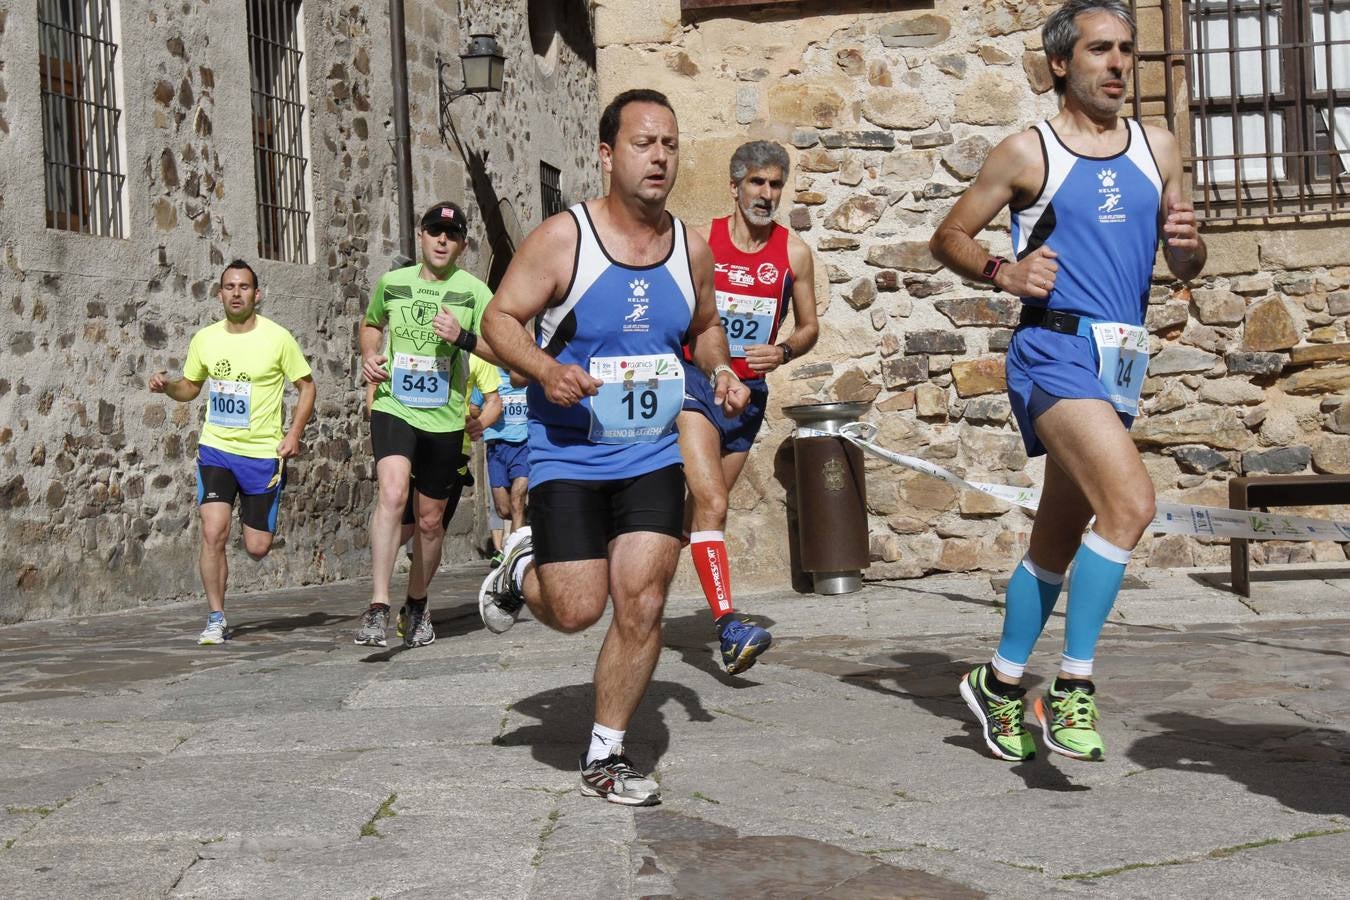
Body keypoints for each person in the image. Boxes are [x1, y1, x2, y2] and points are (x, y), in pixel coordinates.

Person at [929, 0, 1204, 762]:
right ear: (1059, 64)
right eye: (1098, 51)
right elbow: (947, 235)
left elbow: (1182, 263)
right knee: (1131, 503)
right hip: (1052, 353)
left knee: (1056, 538)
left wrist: (1189, 249)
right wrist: (1003, 270)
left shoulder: (1158, 145)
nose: (1117, 64)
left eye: (1126, 51)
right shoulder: (1029, 153)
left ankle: (998, 680)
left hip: (1120, 360)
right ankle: (1074, 686)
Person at [477, 89, 749, 806]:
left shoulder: (690, 246)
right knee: (574, 609)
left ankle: (606, 753)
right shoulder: (565, 239)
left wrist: (720, 369)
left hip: (650, 450)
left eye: (669, 143)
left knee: (645, 600)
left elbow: (708, 325)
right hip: (568, 451)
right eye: (642, 143)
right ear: (607, 155)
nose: (659, 156)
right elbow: (498, 319)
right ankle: (523, 563)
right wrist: (543, 370)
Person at [678, 140, 819, 674]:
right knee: (712, 501)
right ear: (734, 187)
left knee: (696, 516)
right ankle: (728, 624)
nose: (766, 194)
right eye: (757, 183)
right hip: (698, 382)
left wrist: (783, 350)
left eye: (775, 184)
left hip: (749, 396)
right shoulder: (701, 241)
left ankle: (639, 589)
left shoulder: (794, 252)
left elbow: (809, 327)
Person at [149, 259, 316, 645]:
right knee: (213, 531)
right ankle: (215, 617)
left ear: (257, 295)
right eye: (229, 286)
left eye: (244, 287)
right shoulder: (205, 339)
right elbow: (190, 389)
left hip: (261, 455)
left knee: (257, 548)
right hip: (217, 450)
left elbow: (307, 387)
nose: (236, 293)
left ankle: (260, 517)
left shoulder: (278, 338)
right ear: (220, 293)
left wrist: (293, 434)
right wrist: (168, 387)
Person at [356, 201, 496, 648]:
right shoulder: (393, 284)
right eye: (435, 231)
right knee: (393, 493)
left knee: (431, 522)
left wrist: (465, 338)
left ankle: (415, 602)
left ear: (463, 244)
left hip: (444, 417)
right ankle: (377, 606)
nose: (441, 239)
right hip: (395, 405)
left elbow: (505, 348)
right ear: (420, 235)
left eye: (451, 235)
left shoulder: (474, 292)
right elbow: (371, 323)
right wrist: (369, 355)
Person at [369, 355, 501, 645]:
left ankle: (415, 604)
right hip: (407, 437)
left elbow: (494, 401)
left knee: (430, 528)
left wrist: (479, 424)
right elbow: (377, 375)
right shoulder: (408, 343)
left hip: (451, 447)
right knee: (401, 525)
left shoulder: (474, 353)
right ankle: (380, 605)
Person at [481, 366, 530, 564]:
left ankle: (513, 554)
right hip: (497, 447)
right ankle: (526, 523)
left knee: (517, 499)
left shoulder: (529, 379)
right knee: (504, 509)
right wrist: (490, 412)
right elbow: (474, 407)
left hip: (524, 445)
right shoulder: (489, 379)